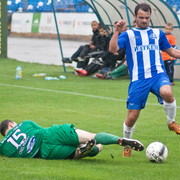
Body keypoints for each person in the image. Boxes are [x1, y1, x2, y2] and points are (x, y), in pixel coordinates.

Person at [109, 3, 180, 157]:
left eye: (147, 18)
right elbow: (113, 50)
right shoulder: (128, 35)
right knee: (132, 116)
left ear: (150, 17)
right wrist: (116, 32)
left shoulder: (157, 33)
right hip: (138, 79)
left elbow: (172, 51)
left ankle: (171, 122)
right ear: (135, 17)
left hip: (157, 74)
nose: (144, 20)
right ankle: (127, 144)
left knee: (167, 91)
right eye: (141, 17)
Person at [0, 120, 144, 159]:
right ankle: (117, 139)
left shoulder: (3, 146)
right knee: (93, 137)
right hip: (51, 134)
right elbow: (39, 129)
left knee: (86, 151)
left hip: (45, 151)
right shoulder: (24, 123)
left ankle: (86, 150)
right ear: (12, 124)